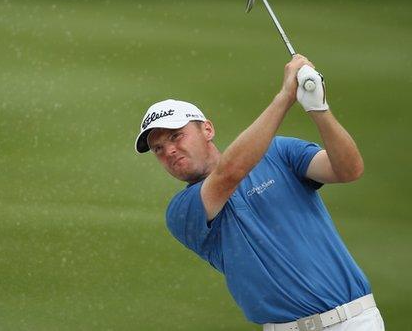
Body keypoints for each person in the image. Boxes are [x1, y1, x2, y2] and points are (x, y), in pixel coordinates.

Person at [134, 55, 385, 331]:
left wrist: (319, 109)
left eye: (176, 136)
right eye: (158, 148)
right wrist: (285, 97)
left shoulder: (279, 152)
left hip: (353, 322)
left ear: (207, 129)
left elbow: (349, 170)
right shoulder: (182, 211)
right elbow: (229, 174)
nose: (168, 150)